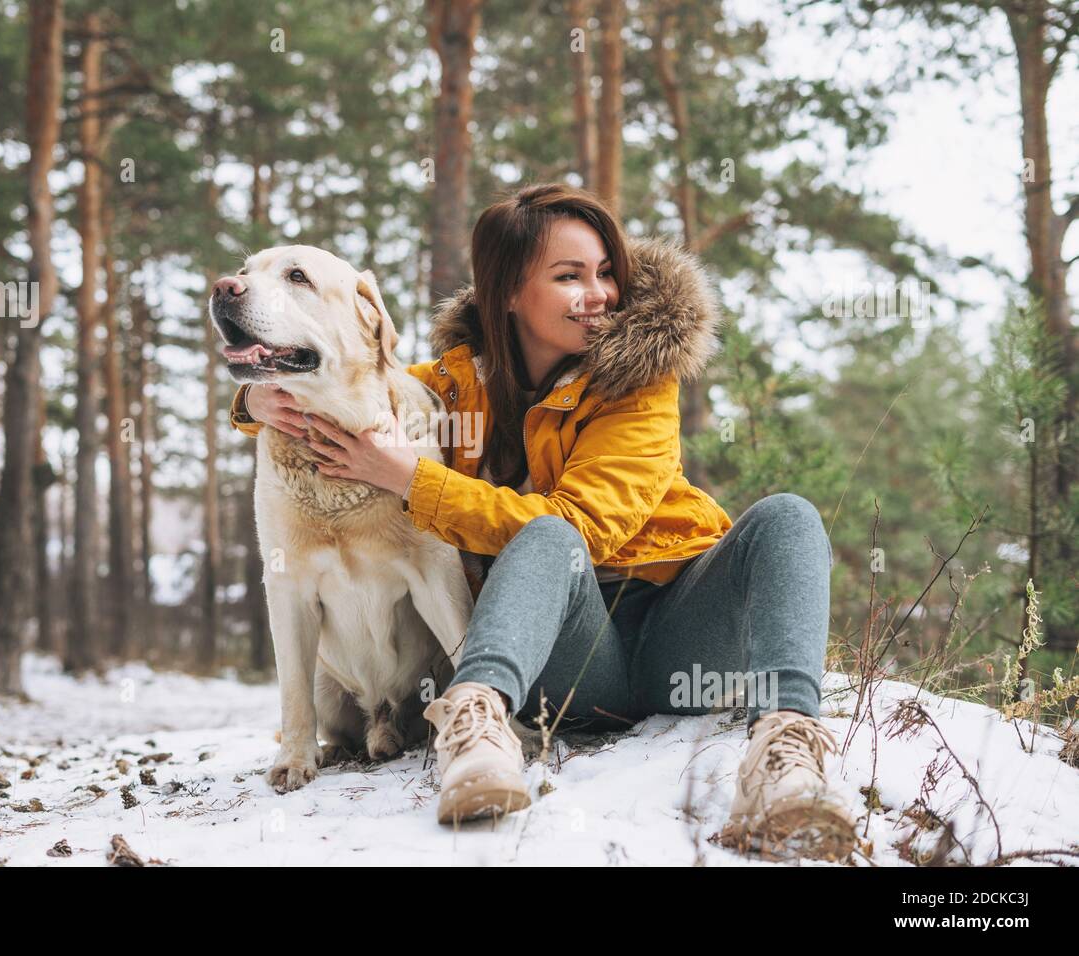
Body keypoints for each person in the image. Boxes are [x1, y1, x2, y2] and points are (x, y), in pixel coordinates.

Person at [230, 182, 856, 858]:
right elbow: (353, 374)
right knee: (545, 538)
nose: (599, 294)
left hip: (684, 632)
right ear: (507, 293)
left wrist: (411, 479)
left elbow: (585, 528)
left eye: (605, 273)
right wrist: (256, 400)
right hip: (573, 659)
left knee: (786, 518)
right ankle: (476, 732)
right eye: (569, 276)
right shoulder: (451, 384)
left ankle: (785, 753)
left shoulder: (639, 382)